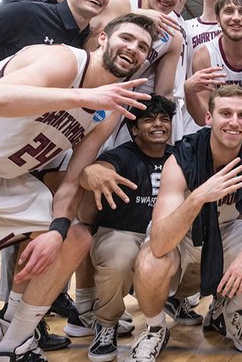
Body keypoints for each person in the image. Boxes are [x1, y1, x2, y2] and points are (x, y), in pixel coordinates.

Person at [0, 13, 156, 361]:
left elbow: (73, 179)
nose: (133, 49)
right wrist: (81, 98)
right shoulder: (63, 60)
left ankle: (11, 339)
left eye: (143, 48)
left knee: (75, 238)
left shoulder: (109, 109)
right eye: (127, 38)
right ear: (104, 39)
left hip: (4, 179)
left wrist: (57, 230)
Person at [126, 85, 242, 359]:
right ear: (208, 118)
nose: (234, 122)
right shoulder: (182, 157)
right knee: (150, 262)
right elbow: (159, 242)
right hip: (183, 234)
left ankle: (233, 310)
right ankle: (155, 329)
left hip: (230, 231)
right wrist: (200, 196)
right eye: (225, 113)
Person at [78, 95, 177, 362]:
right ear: (134, 130)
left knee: (207, 248)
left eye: (164, 119)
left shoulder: (179, 157)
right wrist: (91, 173)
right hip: (123, 232)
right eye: (149, 120)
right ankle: (106, 324)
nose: (158, 125)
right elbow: (94, 172)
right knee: (118, 259)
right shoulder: (121, 155)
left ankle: (181, 301)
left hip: (165, 236)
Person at [185, 0, 242, 125]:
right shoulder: (204, 55)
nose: (236, 18)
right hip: (221, 132)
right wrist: (188, 91)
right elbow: (203, 119)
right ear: (218, 20)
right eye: (229, 11)